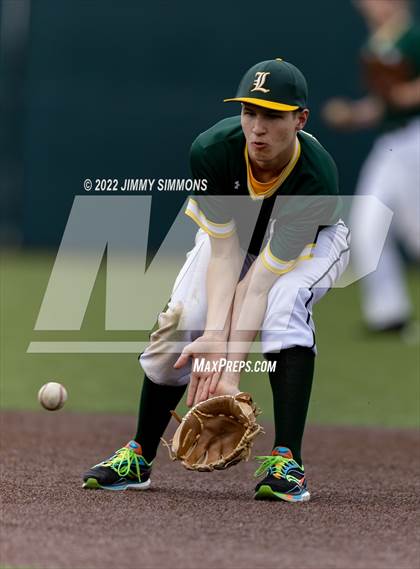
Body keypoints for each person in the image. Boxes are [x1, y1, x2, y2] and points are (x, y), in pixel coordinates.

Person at [82, 58, 350, 502]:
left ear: (300, 119)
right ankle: (138, 454)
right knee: (182, 318)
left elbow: (259, 282)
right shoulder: (213, 151)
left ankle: (288, 461)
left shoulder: (315, 177)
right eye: (249, 112)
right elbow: (226, 255)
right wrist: (211, 335)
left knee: (284, 306)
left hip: (311, 245)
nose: (257, 127)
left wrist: (228, 369)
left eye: (273, 115)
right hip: (238, 239)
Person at [323, 0, 420, 334]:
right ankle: (388, 313)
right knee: (367, 224)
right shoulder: (378, 41)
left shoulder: (413, 36)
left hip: (416, 139)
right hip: (391, 144)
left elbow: (403, 95)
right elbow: (386, 102)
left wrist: (406, 94)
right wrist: (354, 114)